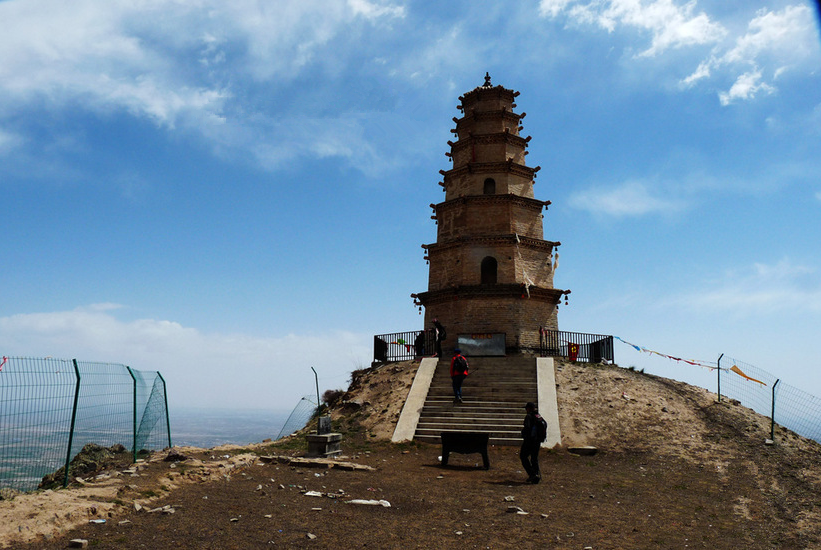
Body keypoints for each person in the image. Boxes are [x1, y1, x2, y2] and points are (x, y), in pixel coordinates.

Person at [520, 402, 546, 484]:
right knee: (534, 458)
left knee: (523, 456)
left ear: (528, 408)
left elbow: (527, 428)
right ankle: (536, 474)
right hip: (537, 441)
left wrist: (524, 434)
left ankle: (532, 474)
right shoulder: (538, 416)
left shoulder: (529, 416)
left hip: (529, 441)